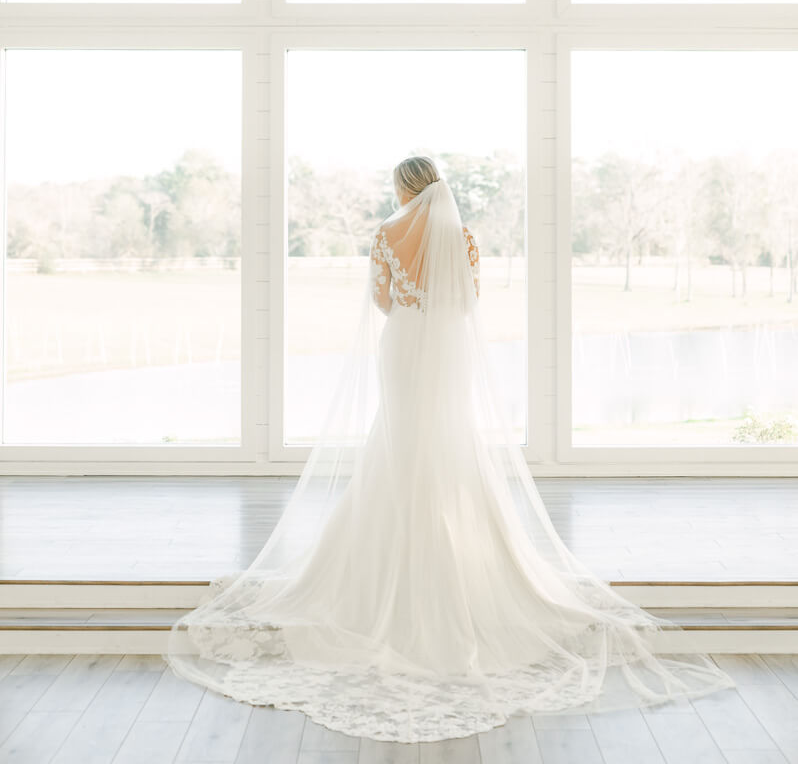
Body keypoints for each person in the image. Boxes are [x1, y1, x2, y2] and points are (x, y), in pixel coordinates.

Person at [164, 155, 736, 742]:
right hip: (446, 349)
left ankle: (383, 572)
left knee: (397, 445)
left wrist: (412, 300)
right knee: (447, 446)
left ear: (405, 188)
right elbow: (468, 304)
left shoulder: (386, 234)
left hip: (404, 346)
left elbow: (383, 302)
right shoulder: (463, 238)